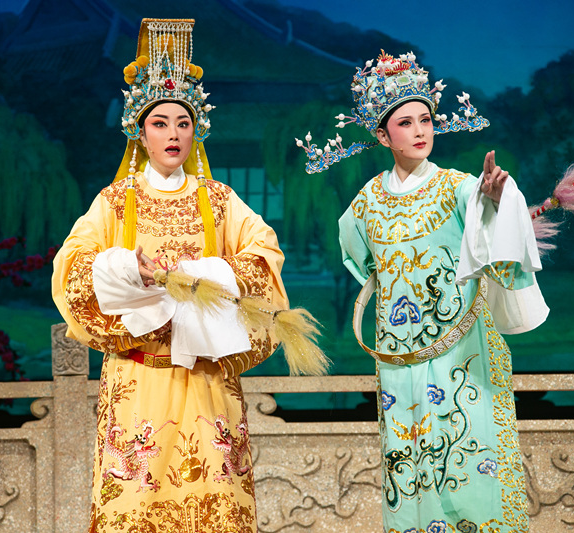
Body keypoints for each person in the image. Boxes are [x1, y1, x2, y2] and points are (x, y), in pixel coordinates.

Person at [52, 19, 288, 533]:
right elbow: (73, 266)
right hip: (138, 379)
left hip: (206, 378)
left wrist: (204, 274)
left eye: (183, 122)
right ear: (140, 132)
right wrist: (128, 270)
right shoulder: (117, 201)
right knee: (135, 510)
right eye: (159, 123)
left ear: (196, 130)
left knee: (216, 507)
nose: (173, 134)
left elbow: (264, 253)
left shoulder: (218, 200)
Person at [300, 51, 548, 532]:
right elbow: (359, 255)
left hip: (461, 351)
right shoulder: (366, 203)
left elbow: (491, 227)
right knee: (408, 465)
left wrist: (499, 198)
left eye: (426, 120)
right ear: (382, 136)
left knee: (471, 461)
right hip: (398, 359)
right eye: (405, 122)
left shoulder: (459, 187)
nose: (420, 131)